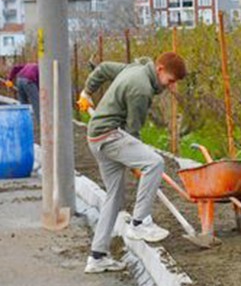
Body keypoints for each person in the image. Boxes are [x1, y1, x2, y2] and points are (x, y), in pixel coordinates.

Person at [76, 52, 187, 274]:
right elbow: (133, 131)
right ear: (160, 69)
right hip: (108, 136)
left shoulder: (133, 69)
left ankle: (97, 257)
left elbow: (104, 67)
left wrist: (87, 91)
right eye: (171, 80)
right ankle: (140, 223)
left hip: (97, 137)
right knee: (154, 163)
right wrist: (138, 161)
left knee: (114, 197)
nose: (171, 86)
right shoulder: (141, 89)